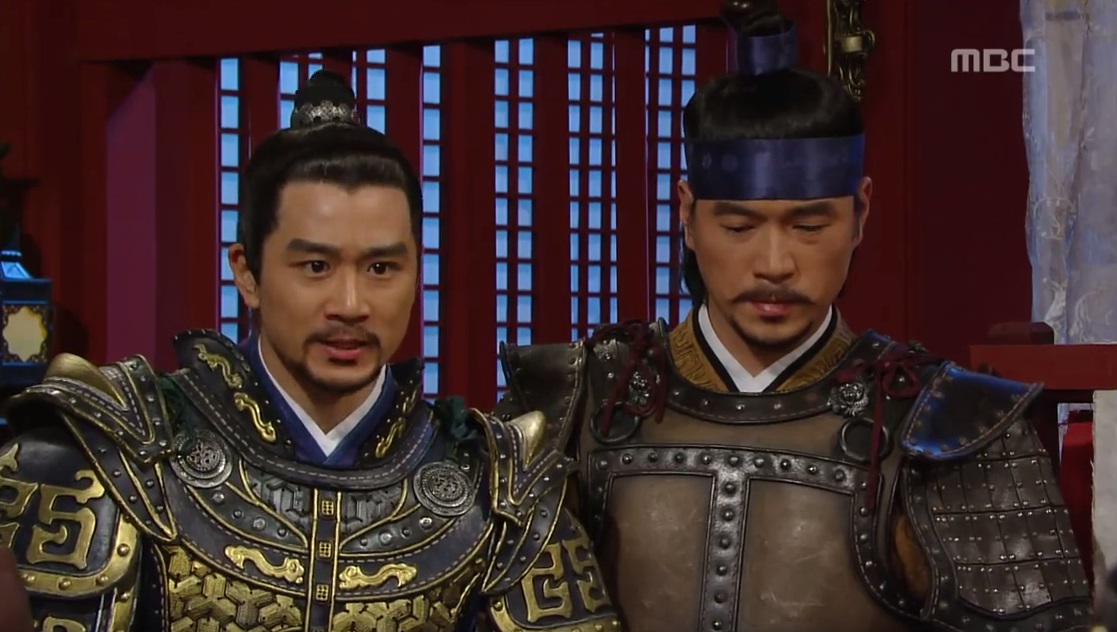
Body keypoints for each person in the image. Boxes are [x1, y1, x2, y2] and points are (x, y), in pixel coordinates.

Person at [492, 2, 1094, 630]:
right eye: (739, 227)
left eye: (809, 227)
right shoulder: (578, 404)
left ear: (860, 215)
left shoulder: (948, 426)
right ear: (688, 216)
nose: (775, 265)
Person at [0, 70, 621, 632]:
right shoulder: (121, 452)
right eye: (316, 266)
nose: (351, 304)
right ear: (247, 273)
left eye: (381, 268)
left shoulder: (498, 485)